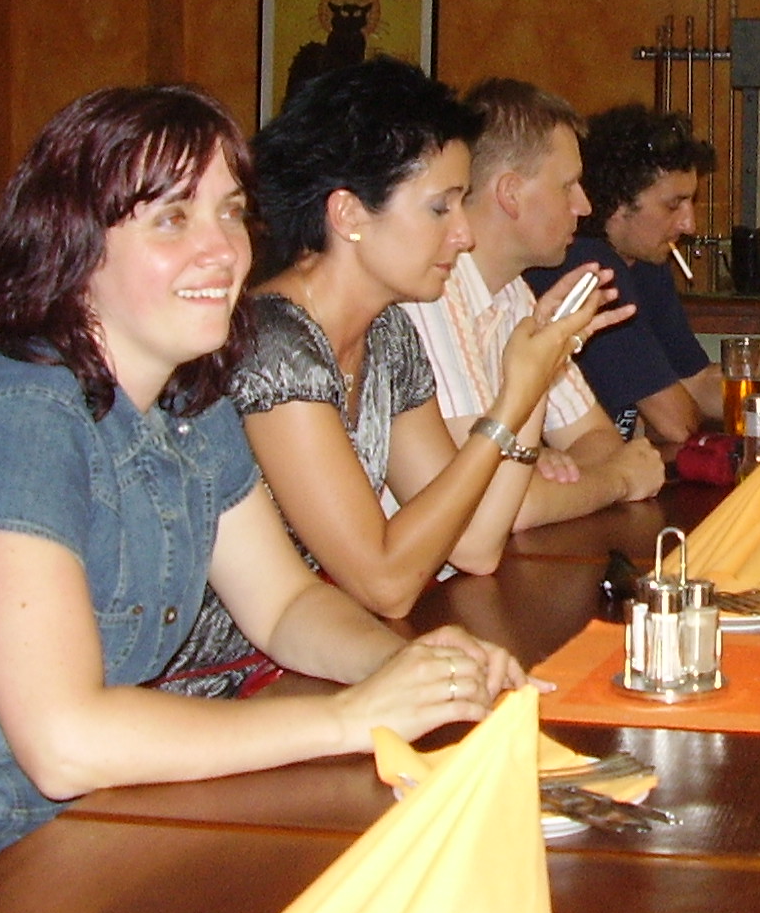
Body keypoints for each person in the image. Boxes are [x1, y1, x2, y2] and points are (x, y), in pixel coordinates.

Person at [0, 86, 528, 913]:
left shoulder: (191, 408)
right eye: (171, 220)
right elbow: (66, 741)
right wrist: (350, 717)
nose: (222, 249)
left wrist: (413, 668)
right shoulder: (25, 416)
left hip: (51, 841)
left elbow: (284, 605)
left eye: (229, 212)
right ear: (75, 246)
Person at [156, 59, 618, 695]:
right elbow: (386, 581)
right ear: (348, 215)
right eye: (440, 208)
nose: (463, 234)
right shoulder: (275, 347)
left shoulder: (388, 334)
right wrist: (514, 401)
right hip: (212, 689)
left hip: (313, 660)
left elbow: (475, 543)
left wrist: (535, 377)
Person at [400, 79, 665, 524]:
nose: (584, 205)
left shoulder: (513, 293)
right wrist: (618, 480)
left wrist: (536, 470)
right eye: (568, 185)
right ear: (510, 194)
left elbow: (597, 439)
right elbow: (492, 511)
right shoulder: (430, 296)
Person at [526, 105, 722, 445]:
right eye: (673, 205)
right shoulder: (587, 266)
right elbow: (677, 423)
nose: (689, 225)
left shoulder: (647, 264)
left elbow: (698, 382)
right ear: (618, 203)